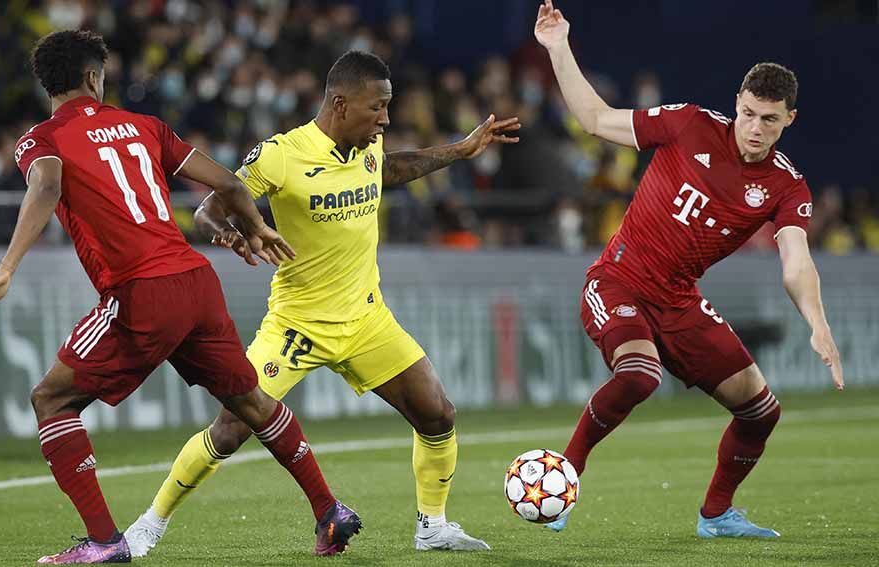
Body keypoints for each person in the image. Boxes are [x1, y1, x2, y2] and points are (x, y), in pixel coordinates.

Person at [0, 30, 361, 564]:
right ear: (94, 77)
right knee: (250, 402)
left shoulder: (40, 139)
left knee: (51, 400)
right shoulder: (145, 126)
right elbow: (229, 184)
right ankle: (329, 511)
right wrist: (255, 226)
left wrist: (7, 267)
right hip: (197, 281)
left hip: (141, 292)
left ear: (47, 83)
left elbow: (47, 187)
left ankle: (104, 542)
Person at [125, 50, 519, 555]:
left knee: (438, 414)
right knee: (230, 427)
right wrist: (233, 232)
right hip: (298, 325)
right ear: (340, 103)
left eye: (388, 106)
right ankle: (149, 525)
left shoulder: (368, 149)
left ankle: (433, 527)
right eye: (377, 107)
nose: (385, 118)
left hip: (366, 318)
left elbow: (391, 169)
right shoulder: (282, 154)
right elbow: (208, 206)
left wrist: (460, 151)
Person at [533, 1, 843, 538]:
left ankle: (717, 515)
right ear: (737, 104)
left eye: (770, 119)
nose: (755, 127)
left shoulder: (787, 186)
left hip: (678, 300)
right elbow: (596, 120)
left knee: (761, 412)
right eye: (748, 113)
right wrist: (558, 46)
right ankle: (563, 482)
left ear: (789, 119)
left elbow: (796, 262)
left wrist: (818, 323)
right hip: (619, 280)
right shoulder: (689, 124)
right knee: (638, 375)